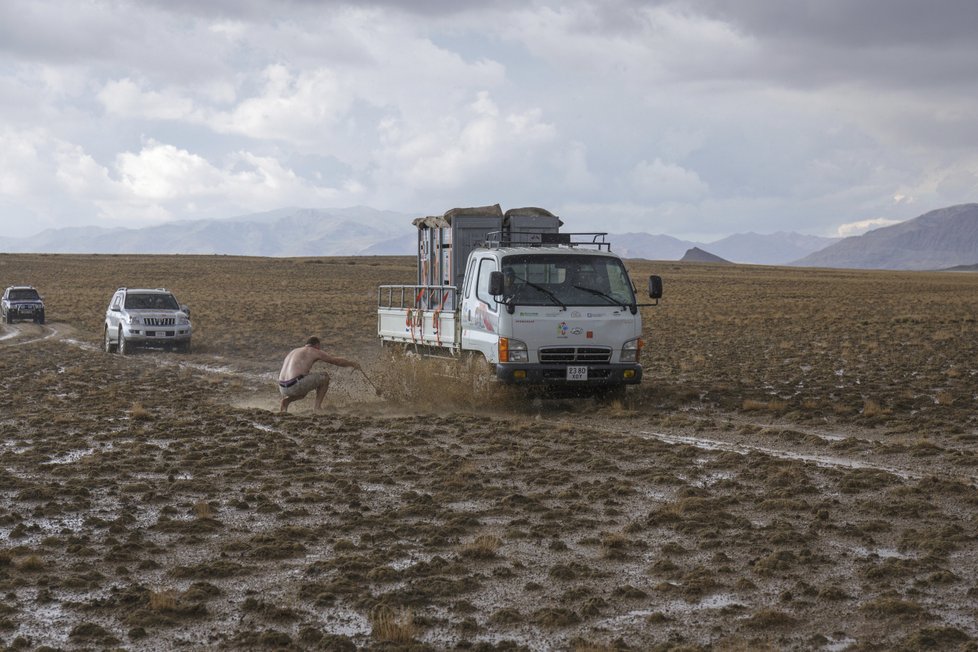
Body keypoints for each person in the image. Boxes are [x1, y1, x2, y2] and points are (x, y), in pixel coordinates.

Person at [277, 336, 361, 413]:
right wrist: (353, 364)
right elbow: (336, 361)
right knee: (325, 377)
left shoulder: (294, 351)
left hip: (282, 387)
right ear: (317, 345)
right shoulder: (313, 350)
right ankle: (317, 407)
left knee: (304, 387)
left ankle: (286, 401)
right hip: (295, 384)